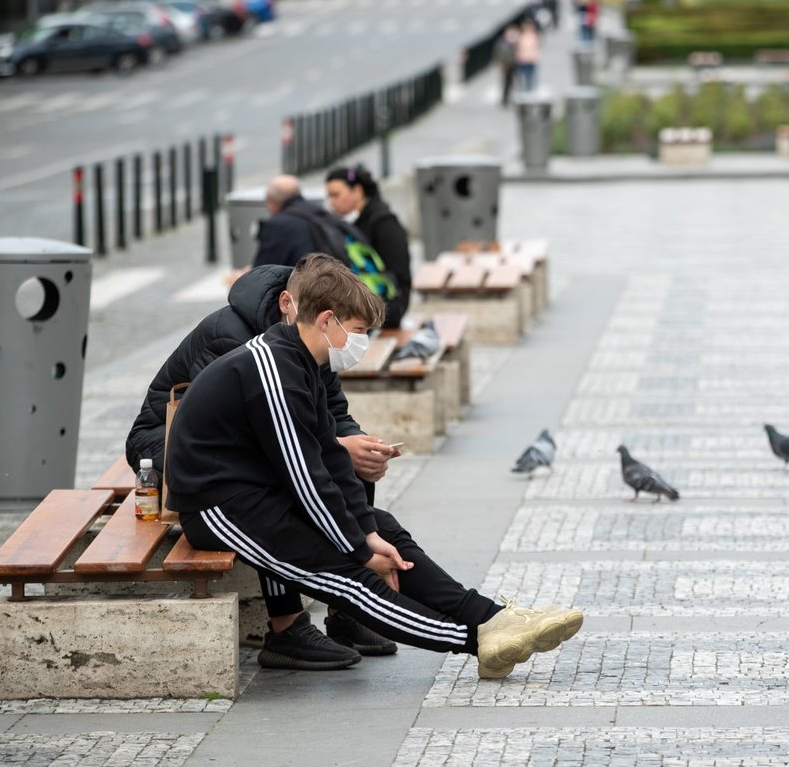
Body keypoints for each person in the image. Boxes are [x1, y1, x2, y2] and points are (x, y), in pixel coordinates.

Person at [164, 259, 584, 679]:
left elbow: (328, 455)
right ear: (328, 320)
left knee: (388, 531)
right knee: (347, 578)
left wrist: (367, 532)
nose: (362, 341)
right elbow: (304, 475)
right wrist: (360, 551)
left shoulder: (304, 362)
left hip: (258, 489)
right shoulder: (271, 368)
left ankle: (491, 617)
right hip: (218, 506)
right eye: (360, 330)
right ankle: (476, 641)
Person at [126, 255, 402, 669]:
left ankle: (346, 611)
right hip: (169, 446)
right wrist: (336, 446)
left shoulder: (308, 336)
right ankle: (286, 626)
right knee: (278, 483)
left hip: (236, 445)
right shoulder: (232, 336)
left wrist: (359, 444)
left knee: (350, 462)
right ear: (288, 303)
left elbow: (332, 412)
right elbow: (233, 435)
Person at [325, 165, 412, 330]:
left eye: (336, 195)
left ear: (357, 191)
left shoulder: (383, 222)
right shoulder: (357, 221)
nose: (331, 202)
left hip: (389, 308)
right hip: (373, 304)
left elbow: (400, 274)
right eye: (329, 196)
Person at [253, 175, 352, 269]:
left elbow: (262, 273)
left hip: (307, 285)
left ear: (271, 203)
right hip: (337, 280)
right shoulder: (321, 214)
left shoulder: (276, 225)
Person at [493, 24, 518, 107]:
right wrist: (500, 64)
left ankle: (512, 98)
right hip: (505, 64)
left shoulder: (515, 41)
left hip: (514, 64)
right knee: (506, 83)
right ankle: (505, 99)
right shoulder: (502, 42)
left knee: (513, 83)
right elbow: (498, 54)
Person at [514, 17, 541, 93]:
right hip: (522, 59)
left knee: (530, 78)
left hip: (531, 59)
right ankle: (523, 93)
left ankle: (529, 92)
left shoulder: (534, 35)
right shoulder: (520, 35)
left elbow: (538, 44)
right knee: (521, 78)